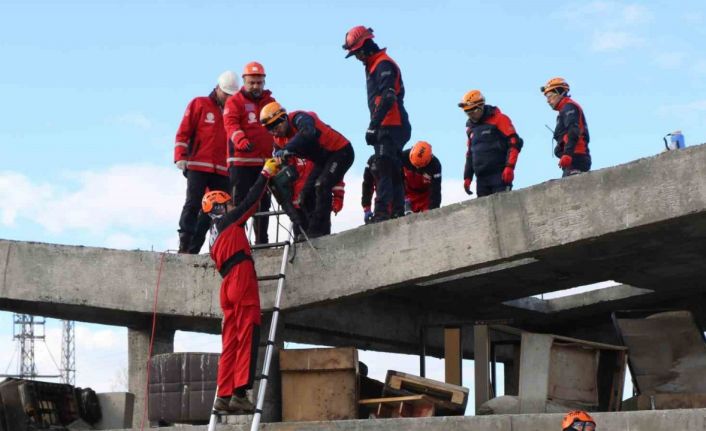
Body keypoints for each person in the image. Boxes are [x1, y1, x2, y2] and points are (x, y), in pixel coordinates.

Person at [201, 158, 280, 413]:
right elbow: (251, 202)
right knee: (248, 335)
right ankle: (240, 394)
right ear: (220, 207)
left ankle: (222, 397)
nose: (231, 206)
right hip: (241, 278)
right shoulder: (228, 222)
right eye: (227, 204)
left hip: (227, 285)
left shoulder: (212, 237)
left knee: (230, 342)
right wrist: (265, 173)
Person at [343, 26, 411, 222]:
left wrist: (374, 125)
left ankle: (382, 213)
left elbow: (388, 97)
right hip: (391, 123)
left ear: (364, 47)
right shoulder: (374, 64)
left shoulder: (382, 65)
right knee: (393, 167)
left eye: (356, 53)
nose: (356, 57)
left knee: (383, 165)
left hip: (391, 124)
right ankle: (397, 210)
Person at [260, 102, 354, 238]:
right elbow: (279, 160)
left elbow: (308, 132)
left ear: (284, 118)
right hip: (322, 160)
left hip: (341, 151)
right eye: (270, 129)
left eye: (276, 125)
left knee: (322, 184)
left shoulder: (299, 118)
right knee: (305, 194)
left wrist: (287, 148)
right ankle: (311, 232)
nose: (274, 131)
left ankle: (319, 232)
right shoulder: (279, 140)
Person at [174, 71, 237, 253]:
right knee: (193, 203)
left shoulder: (232, 112)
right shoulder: (199, 104)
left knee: (218, 210)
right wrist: (180, 155)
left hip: (222, 170)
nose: (228, 98)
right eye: (226, 94)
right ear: (217, 88)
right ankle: (184, 244)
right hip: (198, 165)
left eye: (232, 95)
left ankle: (200, 247)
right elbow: (184, 131)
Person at [223, 62, 277, 244]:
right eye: (252, 82)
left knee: (263, 203)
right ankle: (236, 241)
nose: (255, 86)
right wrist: (241, 140)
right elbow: (231, 124)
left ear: (264, 82)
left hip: (264, 162)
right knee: (240, 205)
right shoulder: (234, 101)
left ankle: (262, 242)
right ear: (244, 81)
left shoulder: (270, 102)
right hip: (241, 163)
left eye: (259, 82)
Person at [459, 90, 523, 197]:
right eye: (467, 112)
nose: (470, 115)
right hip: (481, 179)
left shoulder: (500, 119)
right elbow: (470, 154)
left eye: (472, 111)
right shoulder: (471, 129)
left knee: (503, 208)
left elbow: (514, 142)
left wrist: (510, 167)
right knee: (484, 211)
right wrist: (468, 177)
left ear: (480, 107)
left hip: (500, 175)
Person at [541, 77, 591, 177]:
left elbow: (573, 130)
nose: (548, 101)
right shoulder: (564, 110)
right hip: (572, 158)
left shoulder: (569, 107)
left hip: (576, 157)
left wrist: (567, 154)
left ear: (559, 93)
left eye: (550, 96)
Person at [401, 141, 441, 213]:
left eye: (419, 166)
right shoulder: (403, 156)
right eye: (414, 164)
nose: (416, 167)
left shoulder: (435, 165)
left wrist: (434, 211)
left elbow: (436, 190)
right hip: (407, 193)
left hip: (425, 196)